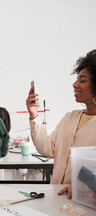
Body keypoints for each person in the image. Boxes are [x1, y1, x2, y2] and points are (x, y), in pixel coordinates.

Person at [26, 49, 96, 199]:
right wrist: (34, 115)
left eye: (82, 80)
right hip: (57, 196)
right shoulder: (69, 118)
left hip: (85, 201)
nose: (75, 85)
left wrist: (81, 187)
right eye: (76, 80)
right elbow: (47, 148)